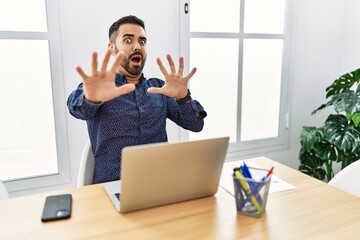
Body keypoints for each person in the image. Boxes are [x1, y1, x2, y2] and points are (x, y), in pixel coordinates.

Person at [67, 15, 207, 184]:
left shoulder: (160, 89)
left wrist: (183, 98)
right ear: (111, 48)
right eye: (128, 40)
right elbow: (78, 109)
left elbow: (195, 125)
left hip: (160, 183)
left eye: (142, 41)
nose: (137, 46)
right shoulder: (100, 87)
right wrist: (91, 99)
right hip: (112, 186)